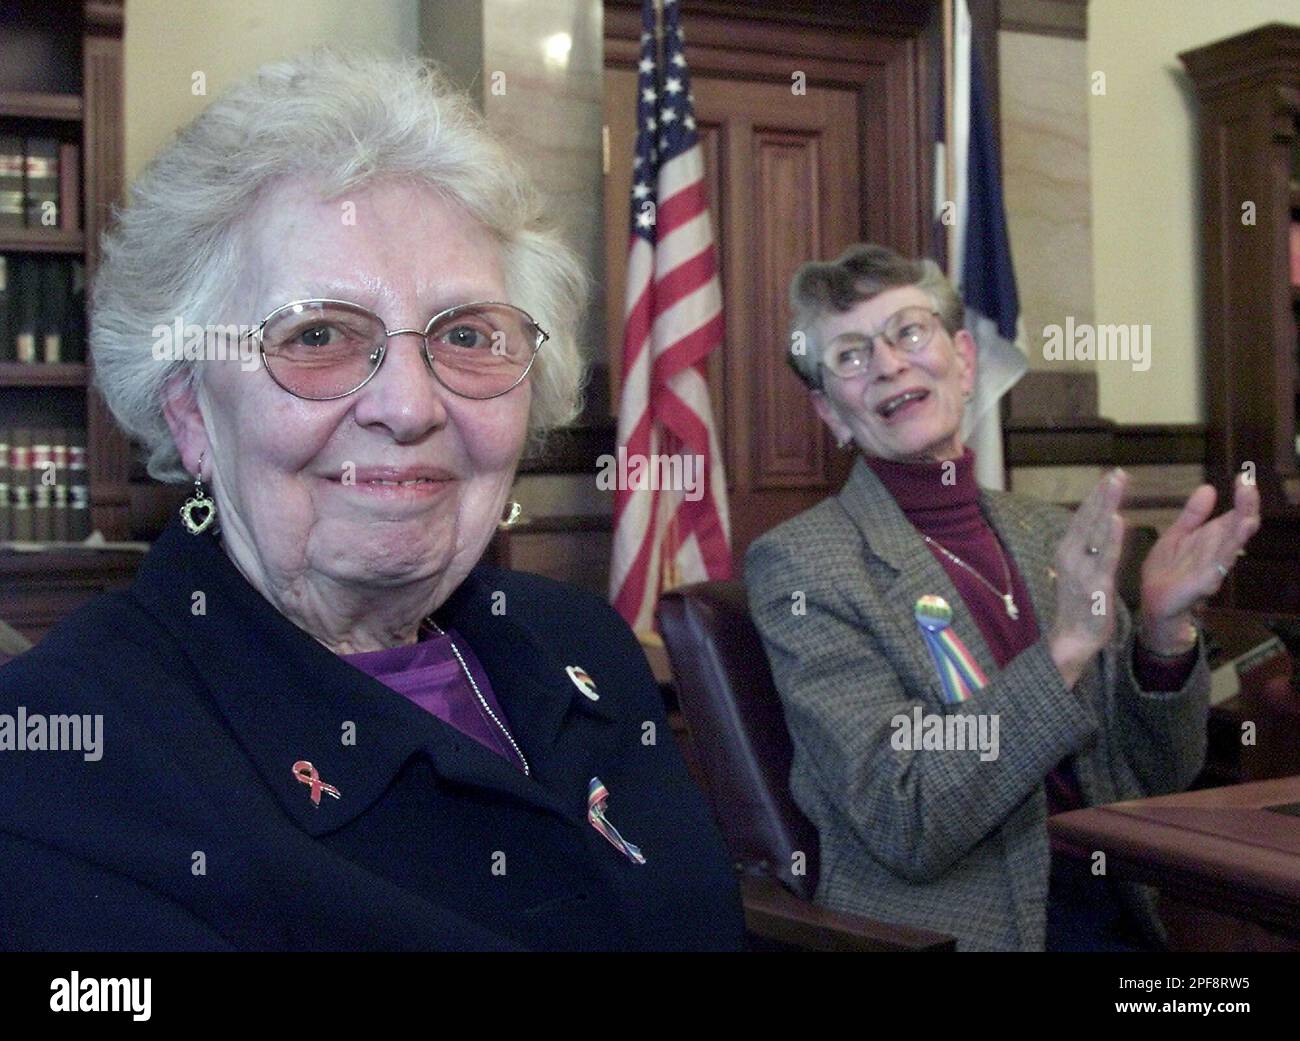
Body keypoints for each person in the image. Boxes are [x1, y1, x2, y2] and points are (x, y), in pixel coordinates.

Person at [0, 51, 744, 952]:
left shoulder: (585, 647)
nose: (410, 407)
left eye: (467, 334)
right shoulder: (65, 758)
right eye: (318, 335)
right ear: (191, 410)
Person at [744, 243, 1259, 951]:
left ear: (963, 356)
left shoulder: (1047, 531)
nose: (890, 364)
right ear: (829, 410)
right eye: (852, 355)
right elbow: (906, 816)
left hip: (1119, 913)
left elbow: (1154, 776)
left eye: (909, 332)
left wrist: (1164, 639)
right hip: (961, 930)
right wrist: (1068, 648)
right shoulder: (805, 566)